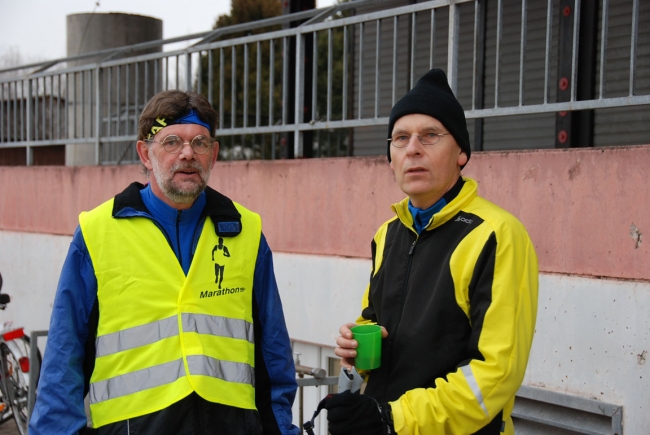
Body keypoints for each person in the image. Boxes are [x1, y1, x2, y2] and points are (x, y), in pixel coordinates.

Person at [29, 90, 300, 435]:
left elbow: (273, 354)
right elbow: (64, 357)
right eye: (171, 141)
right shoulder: (97, 232)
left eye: (200, 142)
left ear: (213, 154)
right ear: (145, 153)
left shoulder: (246, 232)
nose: (188, 153)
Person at [322, 69, 539, 435]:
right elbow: (376, 322)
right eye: (401, 138)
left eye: (430, 136)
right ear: (390, 157)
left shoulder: (497, 234)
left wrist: (394, 419)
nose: (413, 149)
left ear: (462, 154)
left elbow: (494, 374)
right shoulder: (388, 233)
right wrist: (357, 346)